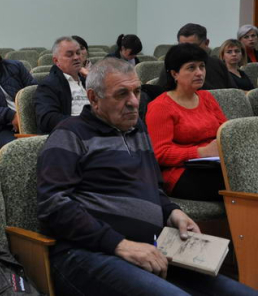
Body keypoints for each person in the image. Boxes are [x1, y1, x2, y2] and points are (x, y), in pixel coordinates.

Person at [37, 58, 256, 296]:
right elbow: (53, 206)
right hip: (89, 253)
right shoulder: (69, 134)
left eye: (137, 91)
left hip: (153, 250)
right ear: (94, 98)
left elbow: (153, 188)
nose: (134, 102)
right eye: (122, 94)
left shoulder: (136, 130)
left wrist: (172, 212)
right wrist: (119, 244)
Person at [146, 44, 227, 200]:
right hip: (180, 173)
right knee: (240, 182)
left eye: (202, 66)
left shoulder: (206, 97)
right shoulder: (160, 107)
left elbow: (225, 132)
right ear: (174, 73)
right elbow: (160, 153)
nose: (199, 73)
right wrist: (201, 152)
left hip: (214, 165)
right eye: (191, 68)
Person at [34, 37, 88, 134]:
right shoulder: (48, 85)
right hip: (71, 134)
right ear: (56, 61)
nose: (76, 57)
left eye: (78, 53)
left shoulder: (86, 81)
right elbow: (47, 119)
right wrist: (84, 122)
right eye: (70, 55)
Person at [157, 23, 234, 90]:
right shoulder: (172, 66)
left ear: (206, 43)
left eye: (192, 47)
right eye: (182, 46)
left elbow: (233, 93)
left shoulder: (218, 64)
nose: (187, 51)